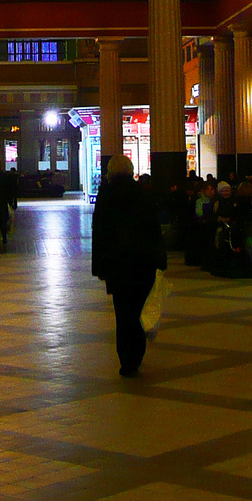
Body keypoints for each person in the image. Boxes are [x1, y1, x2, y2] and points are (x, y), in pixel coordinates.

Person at [91, 155, 167, 378]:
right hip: (143, 263)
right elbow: (154, 229)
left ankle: (127, 361)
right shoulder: (142, 192)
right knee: (135, 311)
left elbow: (100, 232)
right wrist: (160, 260)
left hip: (117, 265)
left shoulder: (106, 194)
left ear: (110, 170)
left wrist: (99, 267)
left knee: (123, 314)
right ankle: (137, 354)